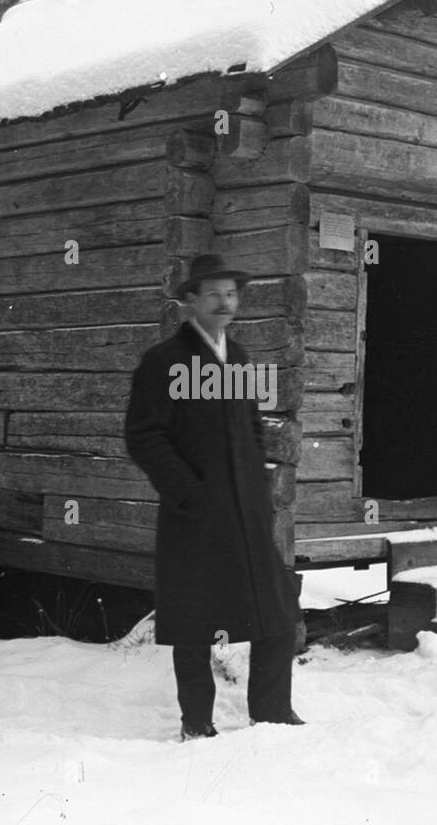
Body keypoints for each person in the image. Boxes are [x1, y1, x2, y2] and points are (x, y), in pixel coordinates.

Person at [124, 253, 303, 740]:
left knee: (278, 607)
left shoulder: (238, 357)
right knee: (196, 619)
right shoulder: (163, 362)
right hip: (196, 513)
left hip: (246, 509)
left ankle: (271, 711)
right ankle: (196, 722)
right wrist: (187, 492)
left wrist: (258, 486)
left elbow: (249, 426)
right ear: (188, 303)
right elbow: (144, 437)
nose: (226, 303)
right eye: (214, 294)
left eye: (232, 294)